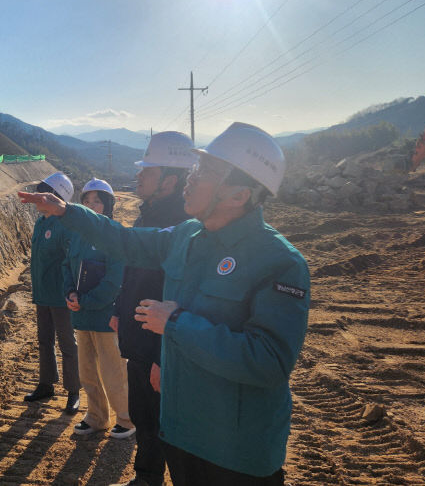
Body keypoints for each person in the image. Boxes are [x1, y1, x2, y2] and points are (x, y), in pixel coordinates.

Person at [19, 123, 310, 485]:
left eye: (204, 172)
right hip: (183, 433)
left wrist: (176, 324)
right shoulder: (189, 235)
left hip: (236, 451)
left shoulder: (279, 262)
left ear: (238, 194)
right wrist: (68, 212)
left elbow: (269, 361)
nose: (190, 178)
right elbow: (126, 241)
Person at [110, 132, 197, 486]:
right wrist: (118, 308)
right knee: (145, 418)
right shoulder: (149, 216)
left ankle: (153, 478)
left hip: (160, 346)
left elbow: (181, 293)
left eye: (148, 170)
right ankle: (146, 478)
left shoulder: (182, 225)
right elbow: (133, 272)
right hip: (140, 341)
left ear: (170, 180)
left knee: (168, 426)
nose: (138, 176)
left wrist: (165, 356)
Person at [63, 179, 135, 439]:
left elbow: (115, 279)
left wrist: (88, 301)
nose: (91, 206)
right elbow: (67, 267)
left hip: (105, 317)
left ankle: (126, 420)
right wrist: (70, 293)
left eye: (97, 201)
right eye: (87, 201)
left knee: (114, 372)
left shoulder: (113, 234)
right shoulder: (77, 235)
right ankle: (96, 417)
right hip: (81, 316)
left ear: (108, 205)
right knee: (88, 373)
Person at [24, 172, 81, 415]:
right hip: (42, 293)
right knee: (44, 341)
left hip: (60, 296)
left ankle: (74, 391)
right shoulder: (41, 223)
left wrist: (71, 291)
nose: (38, 198)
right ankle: (46, 384)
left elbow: (72, 260)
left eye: (44, 193)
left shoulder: (64, 226)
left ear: (56, 197)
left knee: (67, 343)